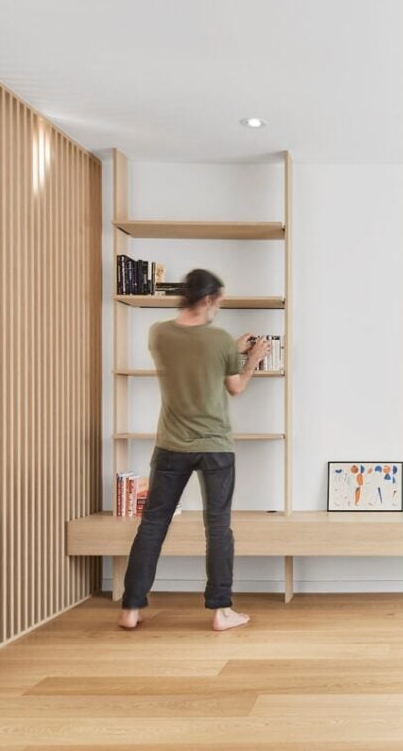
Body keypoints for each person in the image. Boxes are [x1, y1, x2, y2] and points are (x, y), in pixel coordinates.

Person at [118, 268, 271, 632]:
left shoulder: (159, 334)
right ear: (207, 300)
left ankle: (131, 608)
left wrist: (227, 350)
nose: (218, 308)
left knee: (153, 524)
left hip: (170, 443)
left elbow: (189, 361)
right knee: (218, 526)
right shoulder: (218, 340)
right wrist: (252, 358)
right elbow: (235, 388)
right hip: (215, 446)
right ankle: (221, 611)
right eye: (218, 302)